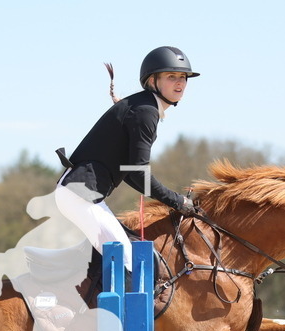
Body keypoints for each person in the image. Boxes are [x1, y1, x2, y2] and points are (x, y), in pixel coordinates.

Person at [55, 46, 201, 271]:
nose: (180, 83)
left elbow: (132, 173)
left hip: (80, 192)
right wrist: (177, 201)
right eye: (171, 76)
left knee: (124, 253)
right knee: (126, 259)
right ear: (152, 81)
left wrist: (174, 200)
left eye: (183, 77)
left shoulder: (144, 106)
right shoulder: (146, 111)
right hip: (80, 194)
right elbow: (138, 173)